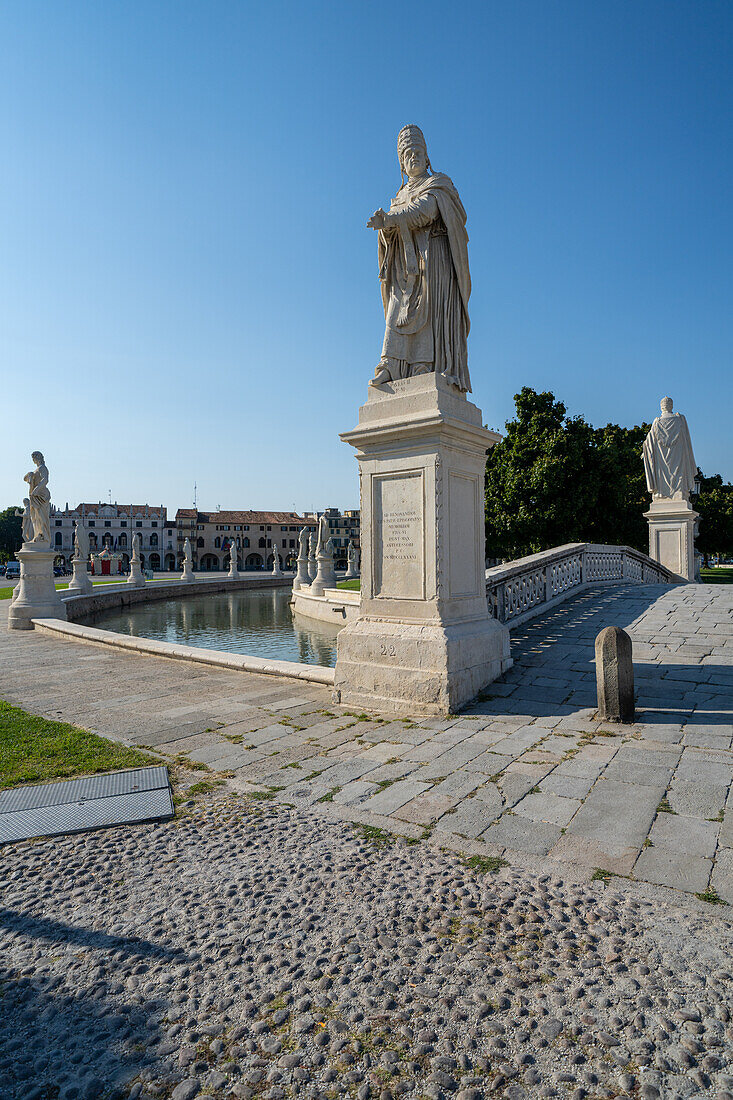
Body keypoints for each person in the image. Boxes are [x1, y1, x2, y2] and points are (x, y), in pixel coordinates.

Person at [367, 124, 472, 392]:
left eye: (418, 152)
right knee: (396, 313)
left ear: (427, 157)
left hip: (432, 260)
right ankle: (390, 365)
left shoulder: (438, 185)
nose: (413, 157)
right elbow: (391, 230)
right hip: (404, 266)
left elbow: (424, 211)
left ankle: (424, 365)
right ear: (402, 164)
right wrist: (384, 229)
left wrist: (390, 219)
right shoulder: (399, 196)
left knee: (430, 311)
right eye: (407, 154)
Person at [643, 397, 697, 500]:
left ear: (661, 407)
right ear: (671, 406)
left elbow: (648, 443)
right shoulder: (680, 420)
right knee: (678, 470)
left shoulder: (656, 422)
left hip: (661, 463)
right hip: (678, 458)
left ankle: (661, 494)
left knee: (661, 473)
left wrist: (645, 451)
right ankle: (679, 492)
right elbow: (687, 442)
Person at [23, 451, 51, 544]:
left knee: (41, 517)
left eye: (34, 458)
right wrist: (30, 474)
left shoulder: (43, 468)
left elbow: (45, 479)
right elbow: (25, 478)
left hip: (41, 496)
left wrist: (36, 490)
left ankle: (43, 536)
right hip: (35, 496)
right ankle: (38, 534)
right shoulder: (36, 470)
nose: (33, 460)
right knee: (35, 517)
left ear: (38, 458)